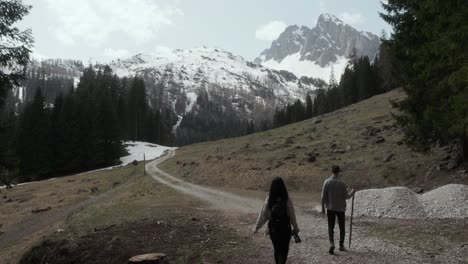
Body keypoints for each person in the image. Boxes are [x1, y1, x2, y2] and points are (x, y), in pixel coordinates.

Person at [254, 177, 299, 264]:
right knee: (284, 250)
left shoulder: (269, 199)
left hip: (273, 229)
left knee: (277, 250)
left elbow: (263, 215)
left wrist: (257, 227)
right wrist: (296, 228)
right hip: (286, 228)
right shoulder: (287, 199)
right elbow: (292, 215)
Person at [321, 165, 355, 254]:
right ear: (339, 172)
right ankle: (341, 245)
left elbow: (323, 197)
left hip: (330, 208)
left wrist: (322, 208)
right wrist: (353, 191)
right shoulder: (342, 183)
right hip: (340, 208)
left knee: (330, 226)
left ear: (331, 171)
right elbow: (347, 197)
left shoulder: (327, 182)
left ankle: (331, 243)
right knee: (342, 227)